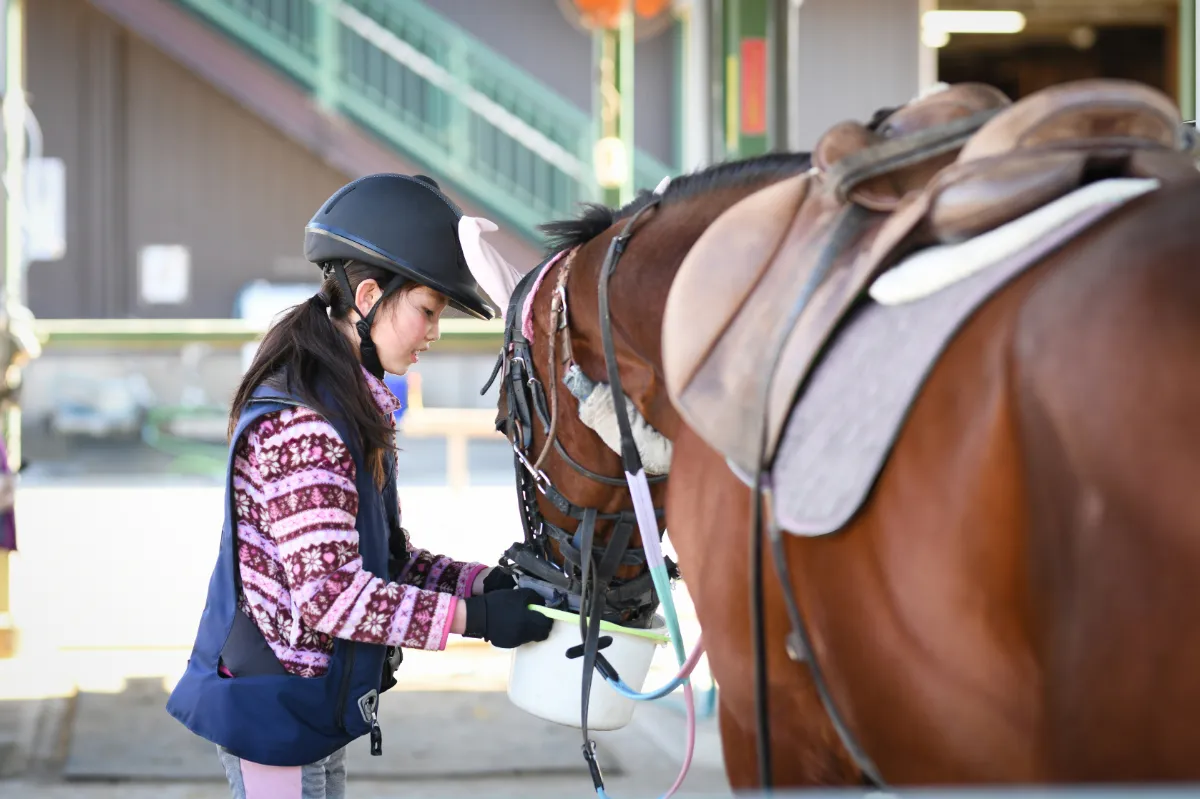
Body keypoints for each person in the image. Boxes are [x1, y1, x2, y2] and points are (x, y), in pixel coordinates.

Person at [167, 173, 553, 799]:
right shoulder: (308, 425)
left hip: (305, 704)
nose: (434, 332)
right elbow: (331, 596)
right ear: (370, 294)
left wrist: (488, 582)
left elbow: (388, 560)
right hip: (273, 711)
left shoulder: (344, 406)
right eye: (428, 310)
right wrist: (474, 618)